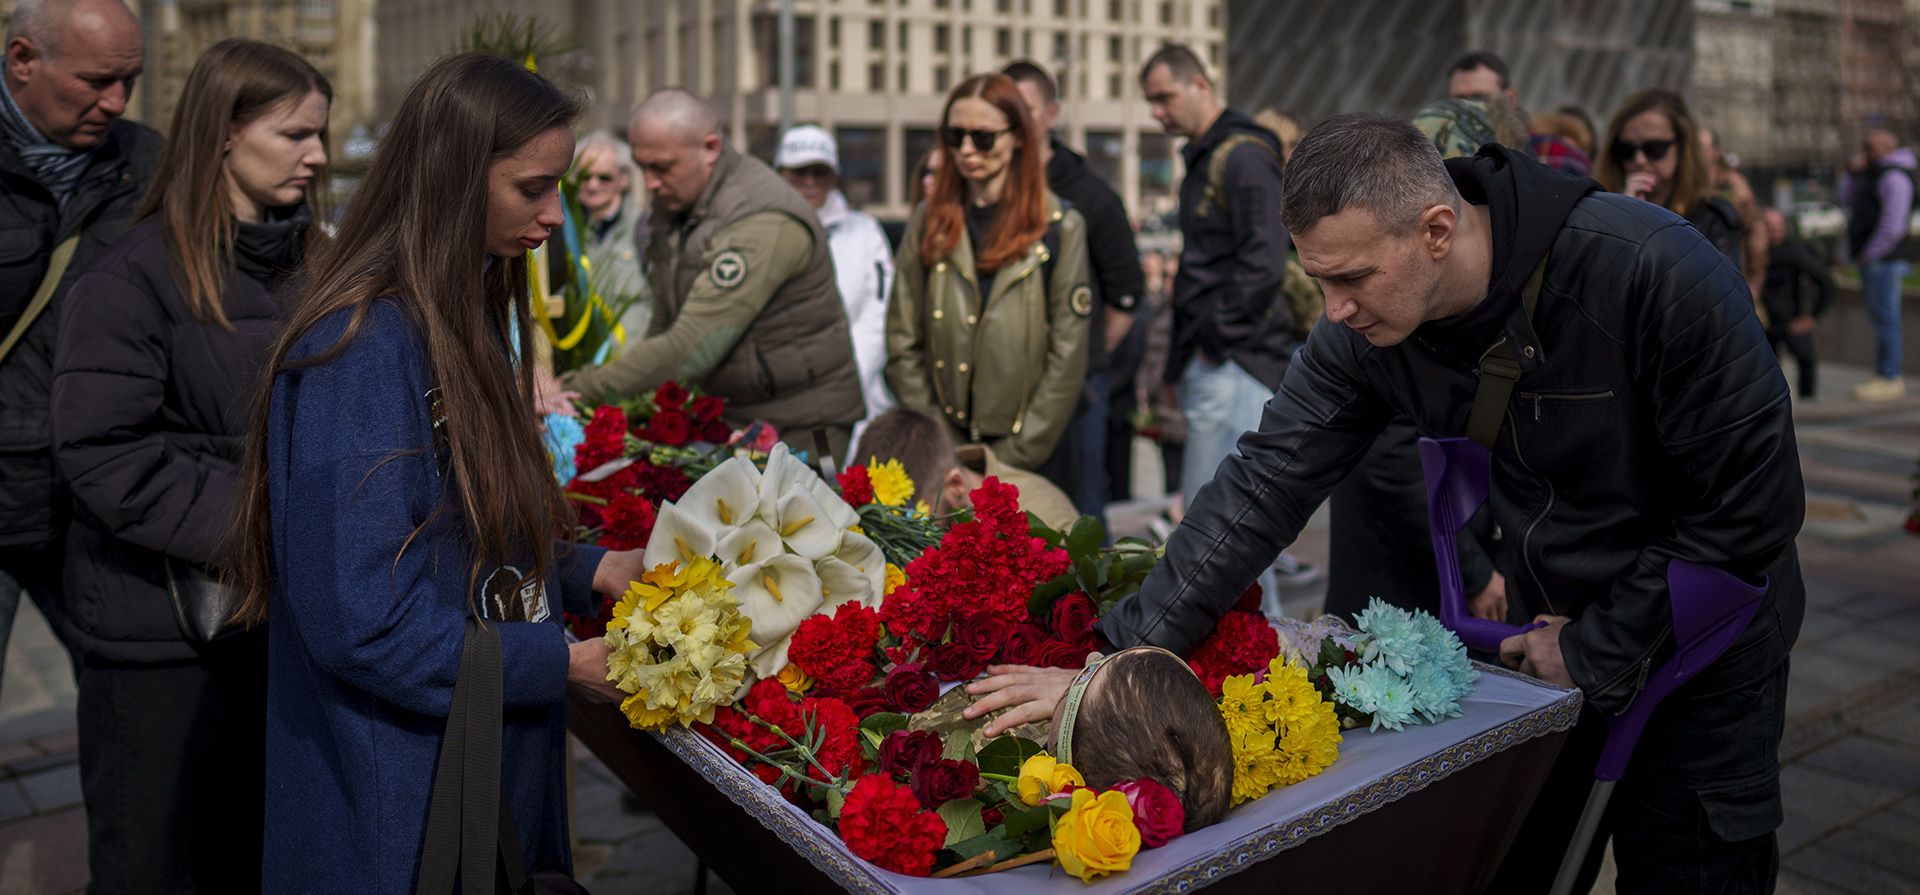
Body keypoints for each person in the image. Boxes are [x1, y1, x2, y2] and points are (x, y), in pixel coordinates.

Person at [971, 114, 1804, 894]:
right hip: (1547, 626)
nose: (1335, 310)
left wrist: (1599, 646)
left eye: (1353, 278)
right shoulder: (1363, 328)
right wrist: (1115, 664)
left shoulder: (1650, 266)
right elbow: (1264, 481)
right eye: (1319, 280)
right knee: (1515, 860)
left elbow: (1749, 509)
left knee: (1691, 862)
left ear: (1436, 230)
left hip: (1703, 638)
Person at [225, 52, 641, 891]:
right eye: (532, 188)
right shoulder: (363, 348)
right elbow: (365, 619)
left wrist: (593, 566)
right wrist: (556, 664)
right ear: (455, 178)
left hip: (464, 775)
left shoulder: (457, 310)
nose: (556, 215)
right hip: (401, 806)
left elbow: (466, 522)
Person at [44, 39, 321, 892]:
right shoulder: (130, 276)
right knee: (158, 864)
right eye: (295, 134)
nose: (317, 154)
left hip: (272, 623)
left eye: (322, 134)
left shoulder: (314, 265)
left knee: (251, 856)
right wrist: (260, 524)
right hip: (158, 637)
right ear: (225, 134)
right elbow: (102, 449)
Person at [552, 89, 865, 459]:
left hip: (805, 426)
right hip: (736, 418)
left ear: (711, 148)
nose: (649, 182)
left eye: (663, 167)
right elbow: (663, 325)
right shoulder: (677, 206)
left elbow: (690, 347)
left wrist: (573, 388)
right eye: (642, 166)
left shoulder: (759, 219)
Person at [0, 0, 159, 682]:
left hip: (97, 498)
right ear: (23, 60)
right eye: (97, 81)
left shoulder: (150, 162)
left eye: (130, 79)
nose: (117, 101)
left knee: (126, 705)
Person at [1139, 44, 1316, 593]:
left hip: (1235, 365)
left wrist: (1218, 340)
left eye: (1165, 97)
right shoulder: (1211, 154)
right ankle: (1239, 661)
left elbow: (1264, 259)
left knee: (1219, 538)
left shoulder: (1240, 155)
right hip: (1219, 361)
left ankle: (1254, 665)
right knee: (1211, 535)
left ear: (1200, 86)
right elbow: (1199, 271)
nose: (1157, 112)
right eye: (1150, 102)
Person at [885, 73, 1091, 484]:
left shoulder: (1060, 227)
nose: (965, 150)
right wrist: (945, 447)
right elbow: (901, 340)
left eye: (982, 137)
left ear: (1018, 138)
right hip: (945, 456)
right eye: (954, 135)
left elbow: (1068, 358)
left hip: (1034, 456)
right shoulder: (929, 221)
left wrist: (1011, 458)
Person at [1006, 60, 1147, 522]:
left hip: (1078, 392)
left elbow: (1127, 292)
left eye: (1023, 108)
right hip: (1004, 388)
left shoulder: (1091, 196)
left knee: (1080, 516)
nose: (1013, 121)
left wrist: (1084, 357)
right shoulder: (989, 188)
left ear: (1051, 113)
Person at [774, 124, 895, 443]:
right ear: (780, 173)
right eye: (799, 172)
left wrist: (843, 377)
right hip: (781, 401)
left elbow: (878, 315)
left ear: (835, 176)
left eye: (820, 172)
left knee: (840, 482)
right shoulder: (761, 235)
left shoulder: (865, 232)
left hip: (853, 397)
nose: (810, 181)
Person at [850, 407, 1080, 532]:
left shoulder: (1044, 519)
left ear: (956, 485)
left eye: (916, 521)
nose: (906, 539)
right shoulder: (941, 489)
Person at [1597, 88, 1746, 269]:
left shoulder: (1713, 218)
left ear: (1682, 147)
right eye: (1626, 150)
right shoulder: (1599, 211)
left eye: (1655, 149)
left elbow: (1715, 291)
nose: (1640, 160)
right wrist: (1621, 221)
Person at [1839, 121, 1915, 401]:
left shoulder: (1894, 177)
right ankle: (1884, 374)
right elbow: (1845, 200)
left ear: (1887, 148)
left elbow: (1893, 226)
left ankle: (1889, 377)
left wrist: (1869, 253)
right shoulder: (1872, 175)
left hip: (1884, 261)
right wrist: (1851, 175)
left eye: (1869, 147)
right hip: (1873, 259)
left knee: (1886, 319)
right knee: (1880, 318)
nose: (1864, 153)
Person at [571, 129, 651, 338]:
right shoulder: (559, 233)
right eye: (585, 176)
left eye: (604, 177)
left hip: (631, 363)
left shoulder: (646, 229)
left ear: (623, 179)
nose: (592, 185)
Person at [1760, 207, 1834, 399]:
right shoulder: (1753, 249)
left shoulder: (1793, 251)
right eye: (1770, 226)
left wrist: (1812, 316)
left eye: (1779, 226)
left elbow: (1825, 282)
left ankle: (1808, 402)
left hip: (1789, 319)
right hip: (1760, 320)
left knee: (1806, 360)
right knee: (1765, 373)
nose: (1775, 231)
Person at [1699, 126, 1771, 310]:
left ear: (1715, 152)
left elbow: (1755, 230)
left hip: (1733, 280)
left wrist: (1755, 281)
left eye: (1701, 147)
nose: (1695, 153)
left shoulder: (1733, 186)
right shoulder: (1688, 186)